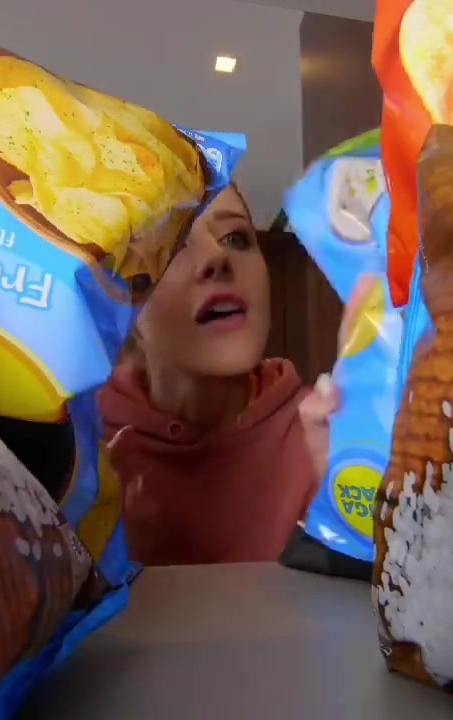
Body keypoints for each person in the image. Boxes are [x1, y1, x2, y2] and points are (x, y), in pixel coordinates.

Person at [98, 185, 367, 565]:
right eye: (173, 245)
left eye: (236, 238)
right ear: (124, 299)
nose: (217, 256)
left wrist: (351, 517)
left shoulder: (326, 434)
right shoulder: (80, 445)